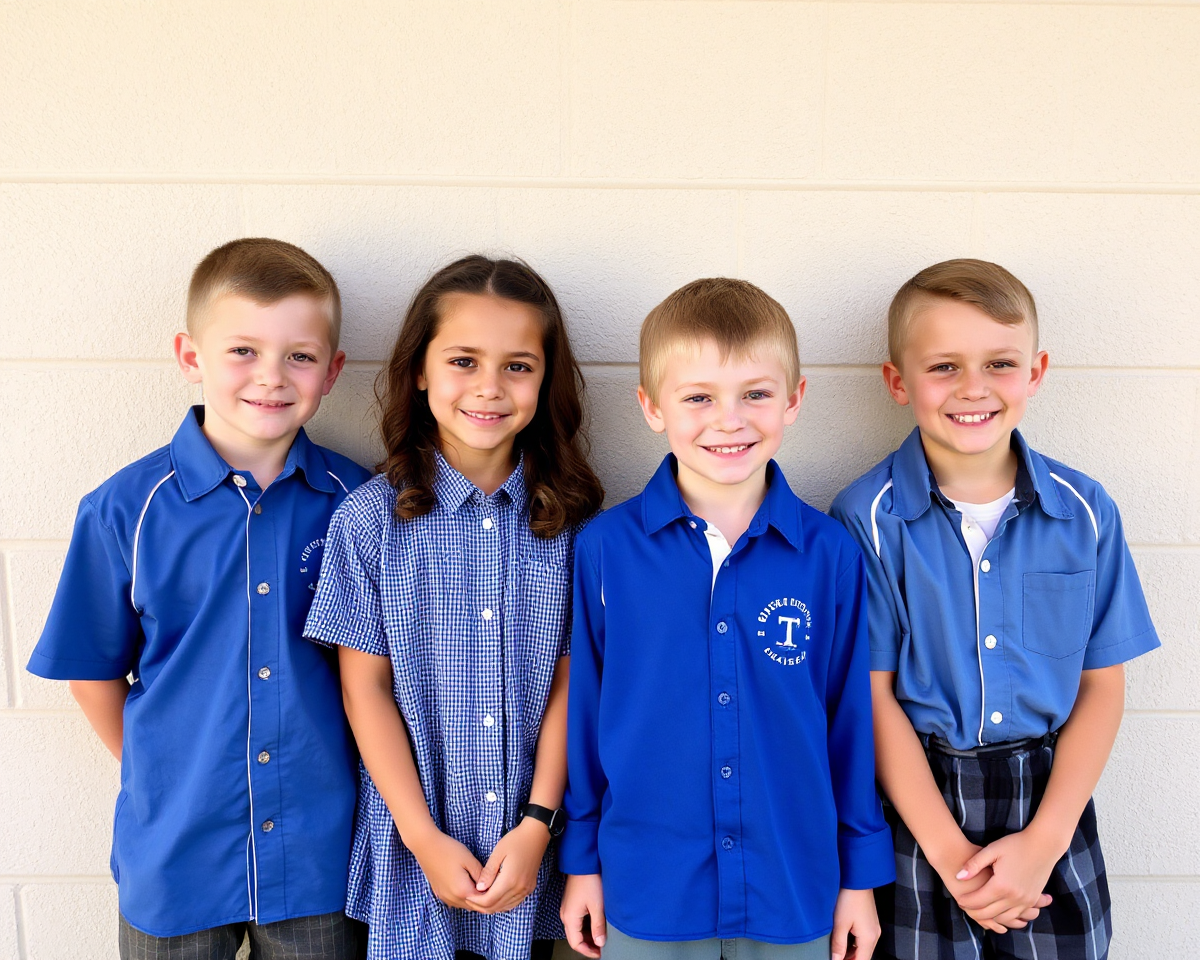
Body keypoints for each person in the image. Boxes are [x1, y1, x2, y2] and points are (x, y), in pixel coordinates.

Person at [27, 238, 371, 957]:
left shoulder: (356, 504)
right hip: (176, 854)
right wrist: (163, 770)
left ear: (333, 370)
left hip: (321, 856)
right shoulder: (125, 508)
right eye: (242, 350)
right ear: (190, 357)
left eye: (300, 356)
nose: (271, 377)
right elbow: (93, 671)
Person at [830, 259, 1160, 960]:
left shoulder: (1085, 512)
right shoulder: (868, 519)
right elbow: (874, 699)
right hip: (921, 801)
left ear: (1036, 372)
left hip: (1050, 796)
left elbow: (1103, 684)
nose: (973, 388)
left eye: (1000, 363)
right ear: (898, 381)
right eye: (943, 366)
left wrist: (1045, 842)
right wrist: (952, 857)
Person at [559, 278, 895, 960]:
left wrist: (859, 877)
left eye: (756, 394)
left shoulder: (829, 552)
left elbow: (850, 723)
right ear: (652, 407)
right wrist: (582, 861)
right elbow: (587, 714)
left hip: (794, 885)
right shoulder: (605, 549)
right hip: (647, 887)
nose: (729, 420)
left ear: (794, 399)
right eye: (699, 398)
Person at [303, 255, 604, 960]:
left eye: (518, 366)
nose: (489, 388)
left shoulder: (578, 526)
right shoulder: (369, 521)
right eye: (464, 361)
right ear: (419, 370)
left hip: (535, 849)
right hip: (417, 848)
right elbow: (364, 688)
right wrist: (421, 837)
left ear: (546, 377)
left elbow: (573, 682)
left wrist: (537, 821)